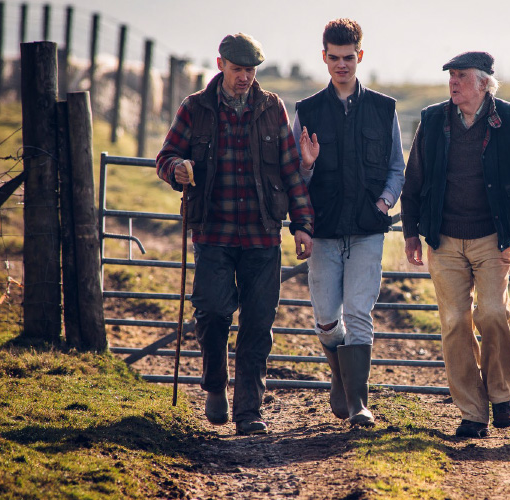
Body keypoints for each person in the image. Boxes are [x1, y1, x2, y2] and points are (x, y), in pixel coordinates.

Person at [400, 51, 510, 438]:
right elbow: (414, 178)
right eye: (451, 76)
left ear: (484, 83)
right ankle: (472, 412)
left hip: (492, 238)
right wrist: (411, 232)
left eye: (461, 76)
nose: (453, 82)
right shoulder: (433, 120)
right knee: (454, 322)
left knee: (494, 313)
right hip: (444, 239)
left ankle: (501, 395)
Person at [156, 33, 314, 436]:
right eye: (238, 69)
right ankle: (214, 385)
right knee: (212, 311)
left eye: (251, 70)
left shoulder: (272, 108)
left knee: (258, 323)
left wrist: (302, 224)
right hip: (213, 230)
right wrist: (176, 169)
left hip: (263, 233)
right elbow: (165, 156)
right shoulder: (195, 108)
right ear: (221, 64)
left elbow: (290, 170)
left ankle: (249, 411)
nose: (245, 77)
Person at [292, 18, 406, 427]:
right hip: (323, 231)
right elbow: (294, 179)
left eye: (348, 58)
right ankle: (341, 377)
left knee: (358, 313)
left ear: (360, 56)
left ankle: (358, 402)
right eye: (334, 58)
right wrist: (307, 165)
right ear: (324, 58)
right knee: (326, 319)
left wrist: (384, 203)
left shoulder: (383, 108)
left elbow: (396, 168)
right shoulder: (307, 111)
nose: (342, 64)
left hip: (367, 230)